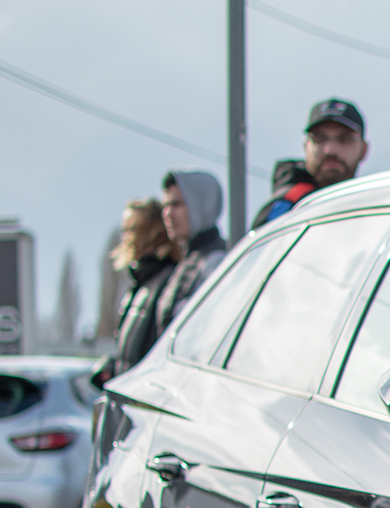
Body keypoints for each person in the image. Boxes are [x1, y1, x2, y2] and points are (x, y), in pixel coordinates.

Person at [96, 198, 177, 385]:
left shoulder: (166, 281)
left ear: (151, 233)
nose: (124, 237)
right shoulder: (141, 282)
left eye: (130, 229)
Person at [252, 98, 369, 228]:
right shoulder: (286, 208)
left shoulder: (377, 209)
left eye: (344, 139)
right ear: (305, 147)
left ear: (364, 150)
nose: (330, 150)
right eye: (319, 138)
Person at [153, 172, 227, 334]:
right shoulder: (188, 260)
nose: (167, 214)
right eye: (165, 205)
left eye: (176, 204)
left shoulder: (216, 261)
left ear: (201, 205)